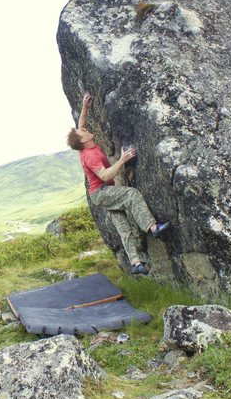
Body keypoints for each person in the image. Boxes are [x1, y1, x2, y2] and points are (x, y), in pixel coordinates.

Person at [67, 91, 169, 275]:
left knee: (123, 226)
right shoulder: (89, 156)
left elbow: (80, 124)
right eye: (83, 131)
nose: (85, 128)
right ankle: (153, 227)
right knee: (131, 195)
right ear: (83, 139)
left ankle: (136, 263)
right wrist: (122, 160)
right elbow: (105, 175)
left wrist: (85, 107)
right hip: (102, 192)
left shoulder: (84, 144)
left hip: (102, 193)